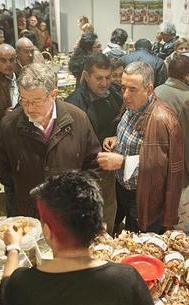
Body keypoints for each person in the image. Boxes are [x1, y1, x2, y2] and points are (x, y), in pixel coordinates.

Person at [0, 171, 153, 305]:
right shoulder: (127, 279)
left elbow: (6, 292)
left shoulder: (23, 285)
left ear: (47, 230)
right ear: (100, 228)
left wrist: (13, 248)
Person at [0, 63, 100, 217]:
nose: (29, 108)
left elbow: (93, 162)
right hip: (27, 210)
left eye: (36, 101)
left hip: (69, 210)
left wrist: (83, 197)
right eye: (24, 101)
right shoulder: (9, 124)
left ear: (53, 95)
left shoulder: (78, 119)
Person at [96, 61, 183, 233]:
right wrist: (117, 139)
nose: (125, 95)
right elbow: (141, 144)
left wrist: (122, 161)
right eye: (123, 88)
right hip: (121, 189)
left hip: (144, 197)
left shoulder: (162, 119)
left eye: (133, 89)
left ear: (149, 90)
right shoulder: (132, 105)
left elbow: (162, 166)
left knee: (137, 242)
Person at [66, 53, 123, 234]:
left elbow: (122, 118)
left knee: (108, 212)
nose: (104, 83)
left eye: (108, 77)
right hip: (86, 170)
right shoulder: (74, 104)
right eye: (99, 78)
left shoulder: (114, 92)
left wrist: (116, 137)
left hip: (109, 167)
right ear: (85, 76)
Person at [155, 54, 189, 190]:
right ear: (187, 75)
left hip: (158, 162)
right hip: (179, 168)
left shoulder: (158, 90)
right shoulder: (188, 100)